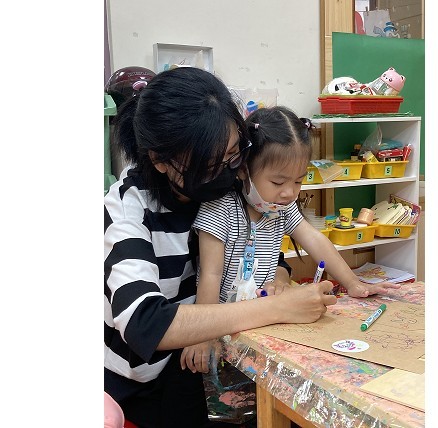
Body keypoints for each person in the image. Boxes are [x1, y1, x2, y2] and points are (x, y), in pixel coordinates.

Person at [104, 67, 337, 428]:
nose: (229, 172)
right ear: (161, 161)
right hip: (140, 380)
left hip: (200, 354)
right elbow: (144, 322)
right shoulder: (126, 209)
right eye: (210, 165)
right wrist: (276, 307)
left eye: (234, 154)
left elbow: (262, 249)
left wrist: (278, 276)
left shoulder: (226, 185)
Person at [180, 106, 401, 373]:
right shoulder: (219, 207)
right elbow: (210, 275)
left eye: (298, 181)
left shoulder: (280, 208)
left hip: (258, 323)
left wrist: (353, 283)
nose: (289, 193)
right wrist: (203, 334)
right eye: (278, 182)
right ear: (243, 170)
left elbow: (315, 240)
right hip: (219, 324)